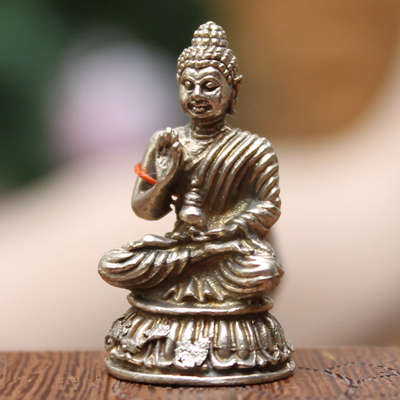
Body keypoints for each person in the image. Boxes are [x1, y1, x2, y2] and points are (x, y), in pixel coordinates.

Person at [99, 22, 293, 384]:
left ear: (234, 89)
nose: (197, 94)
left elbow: (268, 206)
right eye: (188, 85)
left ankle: (204, 261)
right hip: (182, 248)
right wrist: (166, 178)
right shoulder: (165, 142)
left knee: (265, 271)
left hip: (228, 251)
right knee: (113, 264)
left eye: (209, 86)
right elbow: (145, 210)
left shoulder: (254, 148)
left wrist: (226, 230)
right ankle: (199, 258)